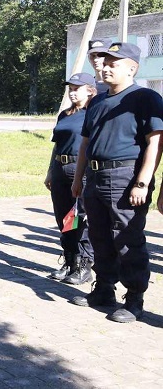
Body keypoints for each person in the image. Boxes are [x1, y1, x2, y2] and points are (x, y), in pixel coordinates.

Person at [70, 42, 163, 323]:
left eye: (114, 64)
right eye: (105, 63)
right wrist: (78, 178)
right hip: (95, 176)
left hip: (125, 176)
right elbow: (85, 142)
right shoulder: (98, 101)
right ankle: (104, 289)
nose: (106, 68)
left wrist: (142, 182)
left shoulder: (145, 98)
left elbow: (156, 142)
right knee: (98, 236)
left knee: (127, 238)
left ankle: (134, 298)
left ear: (132, 69)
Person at [44, 72, 96, 284]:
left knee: (81, 217)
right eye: (70, 89)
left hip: (80, 168)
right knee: (64, 218)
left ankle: (85, 265)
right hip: (60, 167)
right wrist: (50, 170)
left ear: (90, 90)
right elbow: (57, 144)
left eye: (77, 89)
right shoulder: (65, 114)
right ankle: (70, 261)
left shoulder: (93, 113)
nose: (72, 93)